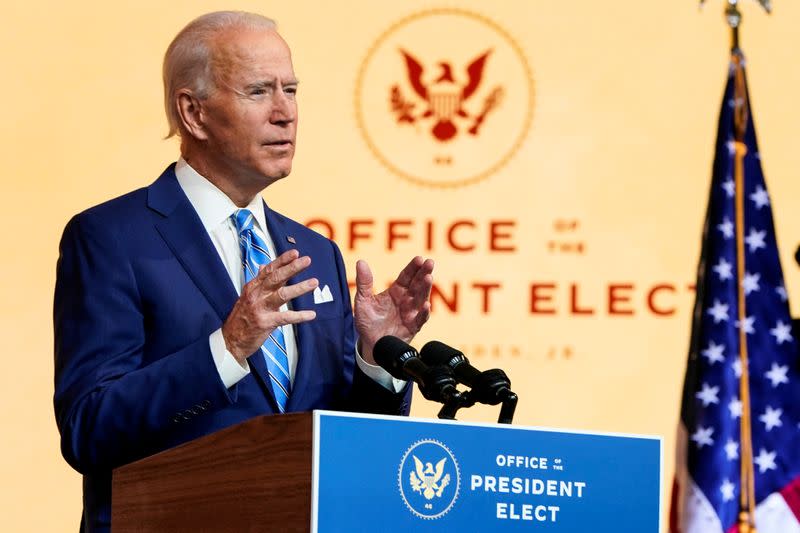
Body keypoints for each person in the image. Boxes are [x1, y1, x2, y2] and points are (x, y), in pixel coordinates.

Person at [53, 11, 434, 532]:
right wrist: (226, 349)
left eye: (292, 90)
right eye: (259, 91)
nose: (286, 113)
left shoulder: (317, 253)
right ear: (194, 114)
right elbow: (87, 429)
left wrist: (376, 363)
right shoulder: (112, 237)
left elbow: (347, 448)